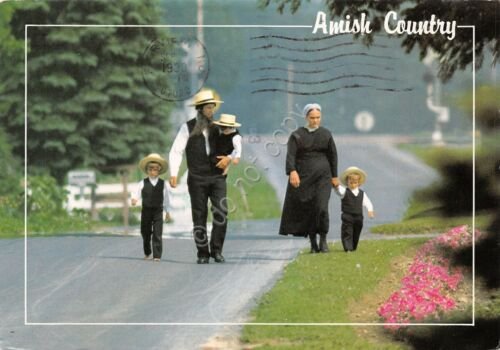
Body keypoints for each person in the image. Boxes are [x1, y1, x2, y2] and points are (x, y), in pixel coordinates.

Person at [168, 89, 232, 264]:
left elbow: (233, 146)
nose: (211, 111)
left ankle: (217, 250)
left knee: (221, 212)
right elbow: (176, 151)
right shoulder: (187, 128)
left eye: (213, 108)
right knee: (199, 214)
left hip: (217, 177)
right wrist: (174, 173)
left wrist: (229, 159)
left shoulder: (220, 127)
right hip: (196, 178)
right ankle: (203, 253)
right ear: (200, 109)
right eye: (208, 108)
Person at [279, 103, 339, 253]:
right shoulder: (297, 135)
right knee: (310, 209)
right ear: (306, 117)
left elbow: (333, 155)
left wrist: (335, 176)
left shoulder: (326, 134)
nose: (315, 121)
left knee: (322, 208)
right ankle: (313, 242)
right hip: (304, 177)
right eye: (312, 118)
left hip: (323, 177)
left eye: (318, 118)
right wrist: (292, 171)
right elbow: (291, 155)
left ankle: (323, 240)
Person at [131, 153, 171, 262]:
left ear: (159, 170)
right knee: (145, 232)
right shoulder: (142, 183)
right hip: (146, 211)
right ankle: (147, 252)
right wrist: (134, 199)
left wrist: (167, 212)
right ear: (147, 170)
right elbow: (136, 192)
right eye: (150, 169)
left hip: (158, 211)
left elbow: (166, 198)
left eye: (155, 169)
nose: (153, 171)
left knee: (157, 233)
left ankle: (157, 255)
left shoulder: (163, 184)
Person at [334, 166, 375, 252]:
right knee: (347, 232)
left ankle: (353, 246)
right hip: (347, 215)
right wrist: (337, 186)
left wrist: (370, 210)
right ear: (347, 182)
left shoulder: (362, 194)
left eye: (355, 182)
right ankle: (347, 247)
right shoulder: (345, 191)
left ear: (358, 183)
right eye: (351, 182)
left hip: (358, 217)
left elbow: (368, 202)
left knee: (357, 231)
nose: (353, 184)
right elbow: (339, 190)